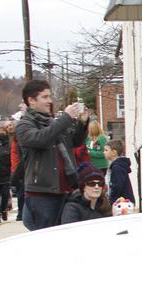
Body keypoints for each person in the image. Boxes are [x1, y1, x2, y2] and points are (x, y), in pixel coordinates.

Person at [15, 79, 89, 231]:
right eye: (45, 97)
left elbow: (74, 141)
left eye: (50, 96)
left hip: (65, 189)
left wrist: (82, 124)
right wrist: (66, 118)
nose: (50, 101)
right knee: (46, 237)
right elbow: (41, 139)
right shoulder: (25, 125)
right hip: (42, 192)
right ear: (31, 100)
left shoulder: (53, 123)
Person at [104, 139, 135, 204]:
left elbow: (117, 186)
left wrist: (112, 198)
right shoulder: (116, 166)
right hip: (120, 201)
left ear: (114, 152)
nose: (104, 152)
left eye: (106, 150)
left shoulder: (117, 167)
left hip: (123, 202)